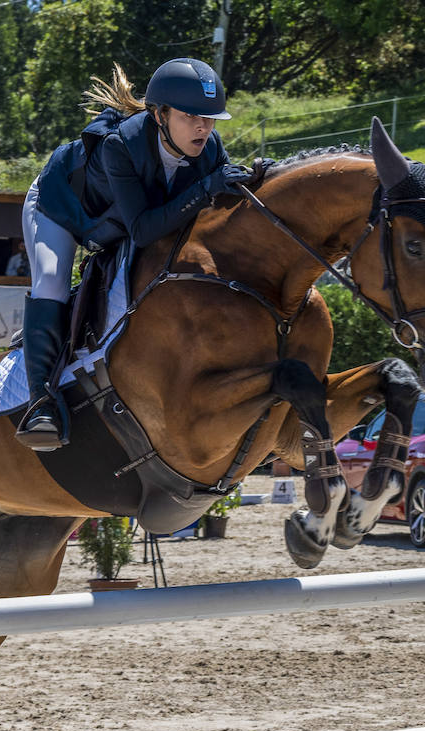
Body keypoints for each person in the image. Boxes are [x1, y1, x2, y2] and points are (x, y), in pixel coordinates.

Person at [16, 57, 253, 451]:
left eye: (210, 119)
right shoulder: (119, 147)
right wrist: (208, 187)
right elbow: (143, 230)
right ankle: (42, 402)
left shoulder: (209, 148)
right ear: (160, 114)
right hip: (61, 207)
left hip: (120, 221)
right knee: (53, 280)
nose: (203, 128)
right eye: (191, 116)